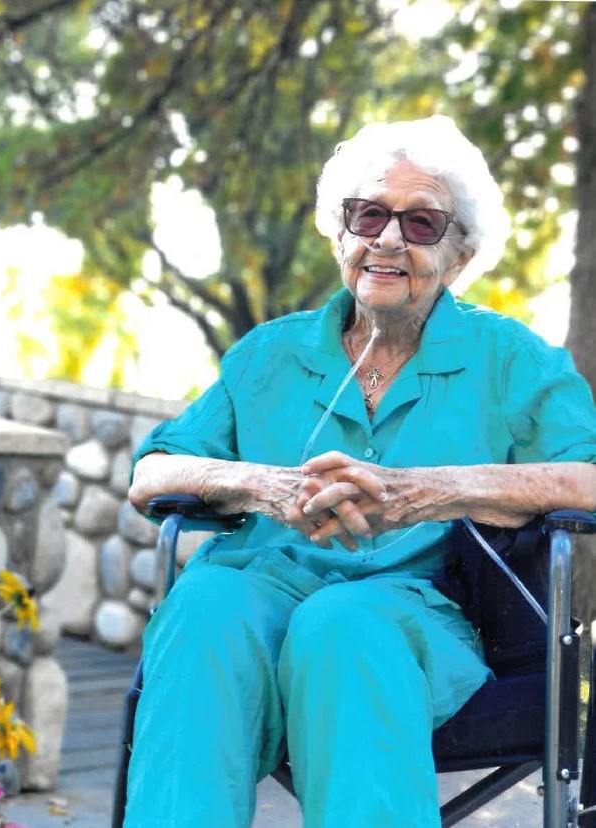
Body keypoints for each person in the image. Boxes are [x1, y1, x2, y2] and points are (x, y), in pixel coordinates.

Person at [122, 115, 596, 828]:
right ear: (339, 233)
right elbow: (151, 473)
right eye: (367, 214)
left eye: (421, 223)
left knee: (339, 627)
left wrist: (427, 494)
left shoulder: (510, 359)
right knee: (204, 611)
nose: (387, 238)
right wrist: (265, 487)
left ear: (459, 255)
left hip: (419, 603)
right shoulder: (268, 354)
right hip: (259, 587)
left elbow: (587, 477)